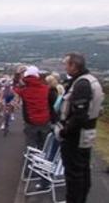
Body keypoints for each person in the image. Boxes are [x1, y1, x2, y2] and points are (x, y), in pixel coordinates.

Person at [54, 53, 104, 203]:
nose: (64, 67)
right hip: (84, 134)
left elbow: (79, 115)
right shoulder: (90, 80)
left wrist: (64, 131)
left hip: (76, 137)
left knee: (74, 175)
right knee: (82, 172)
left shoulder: (82, 84)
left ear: (74, 66)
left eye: (66, 64)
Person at [13, 66, 52, 149]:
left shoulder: (24, 90)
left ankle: (29, 161)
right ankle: (41, 160)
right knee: (43, 147)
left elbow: (15, 88)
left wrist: (17, 75)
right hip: (45, 121)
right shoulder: (46, 89)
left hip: (30, 121)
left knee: (30, 146)